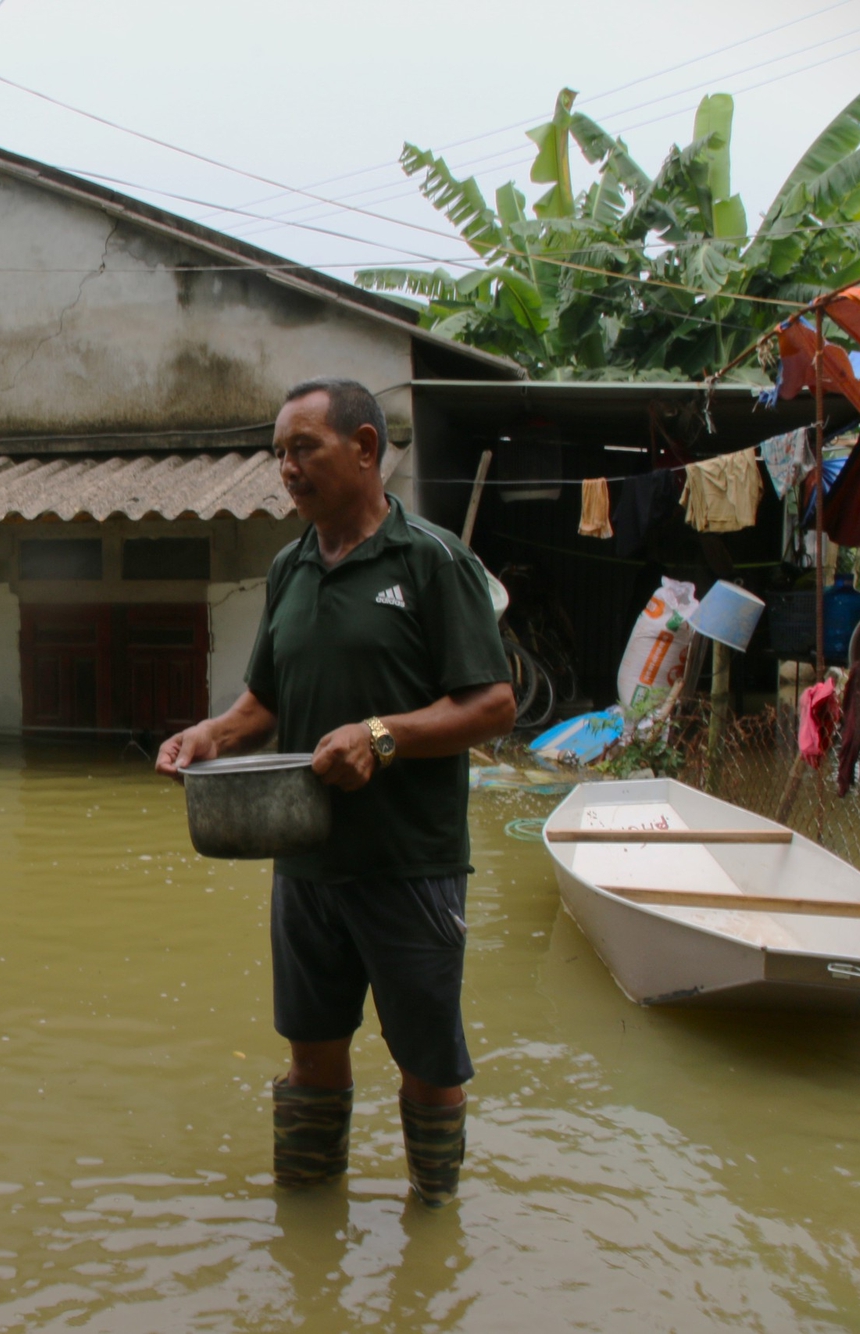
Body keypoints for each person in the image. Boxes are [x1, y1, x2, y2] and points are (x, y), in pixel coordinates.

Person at [156, 377, 515, 1206]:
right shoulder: (289, 571)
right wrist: (208, 735)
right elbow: (263, 706)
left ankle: (434, 1223)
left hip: (410, 866)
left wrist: (382, 737)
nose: (286, 468)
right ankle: (308, 1229)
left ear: (364, 447)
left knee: (426, 1063)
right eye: (278, 453)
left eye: (303, 448)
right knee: (311, 1053)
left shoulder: (431, 561)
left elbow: (492, 704)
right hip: (307, 867)